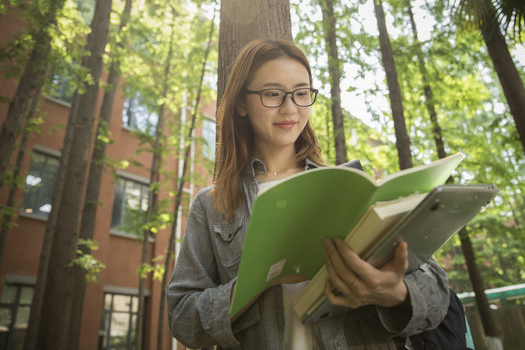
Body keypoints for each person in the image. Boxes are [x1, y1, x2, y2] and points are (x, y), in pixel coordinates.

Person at [167, 39, 451, 349]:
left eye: (301, 93)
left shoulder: (349, 186)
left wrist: (394, 293)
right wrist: (254, 285)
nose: (290, 108)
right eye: (272, 94)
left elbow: (437, 292)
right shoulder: (213, 205)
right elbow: (182, 317)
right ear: (241, 104)